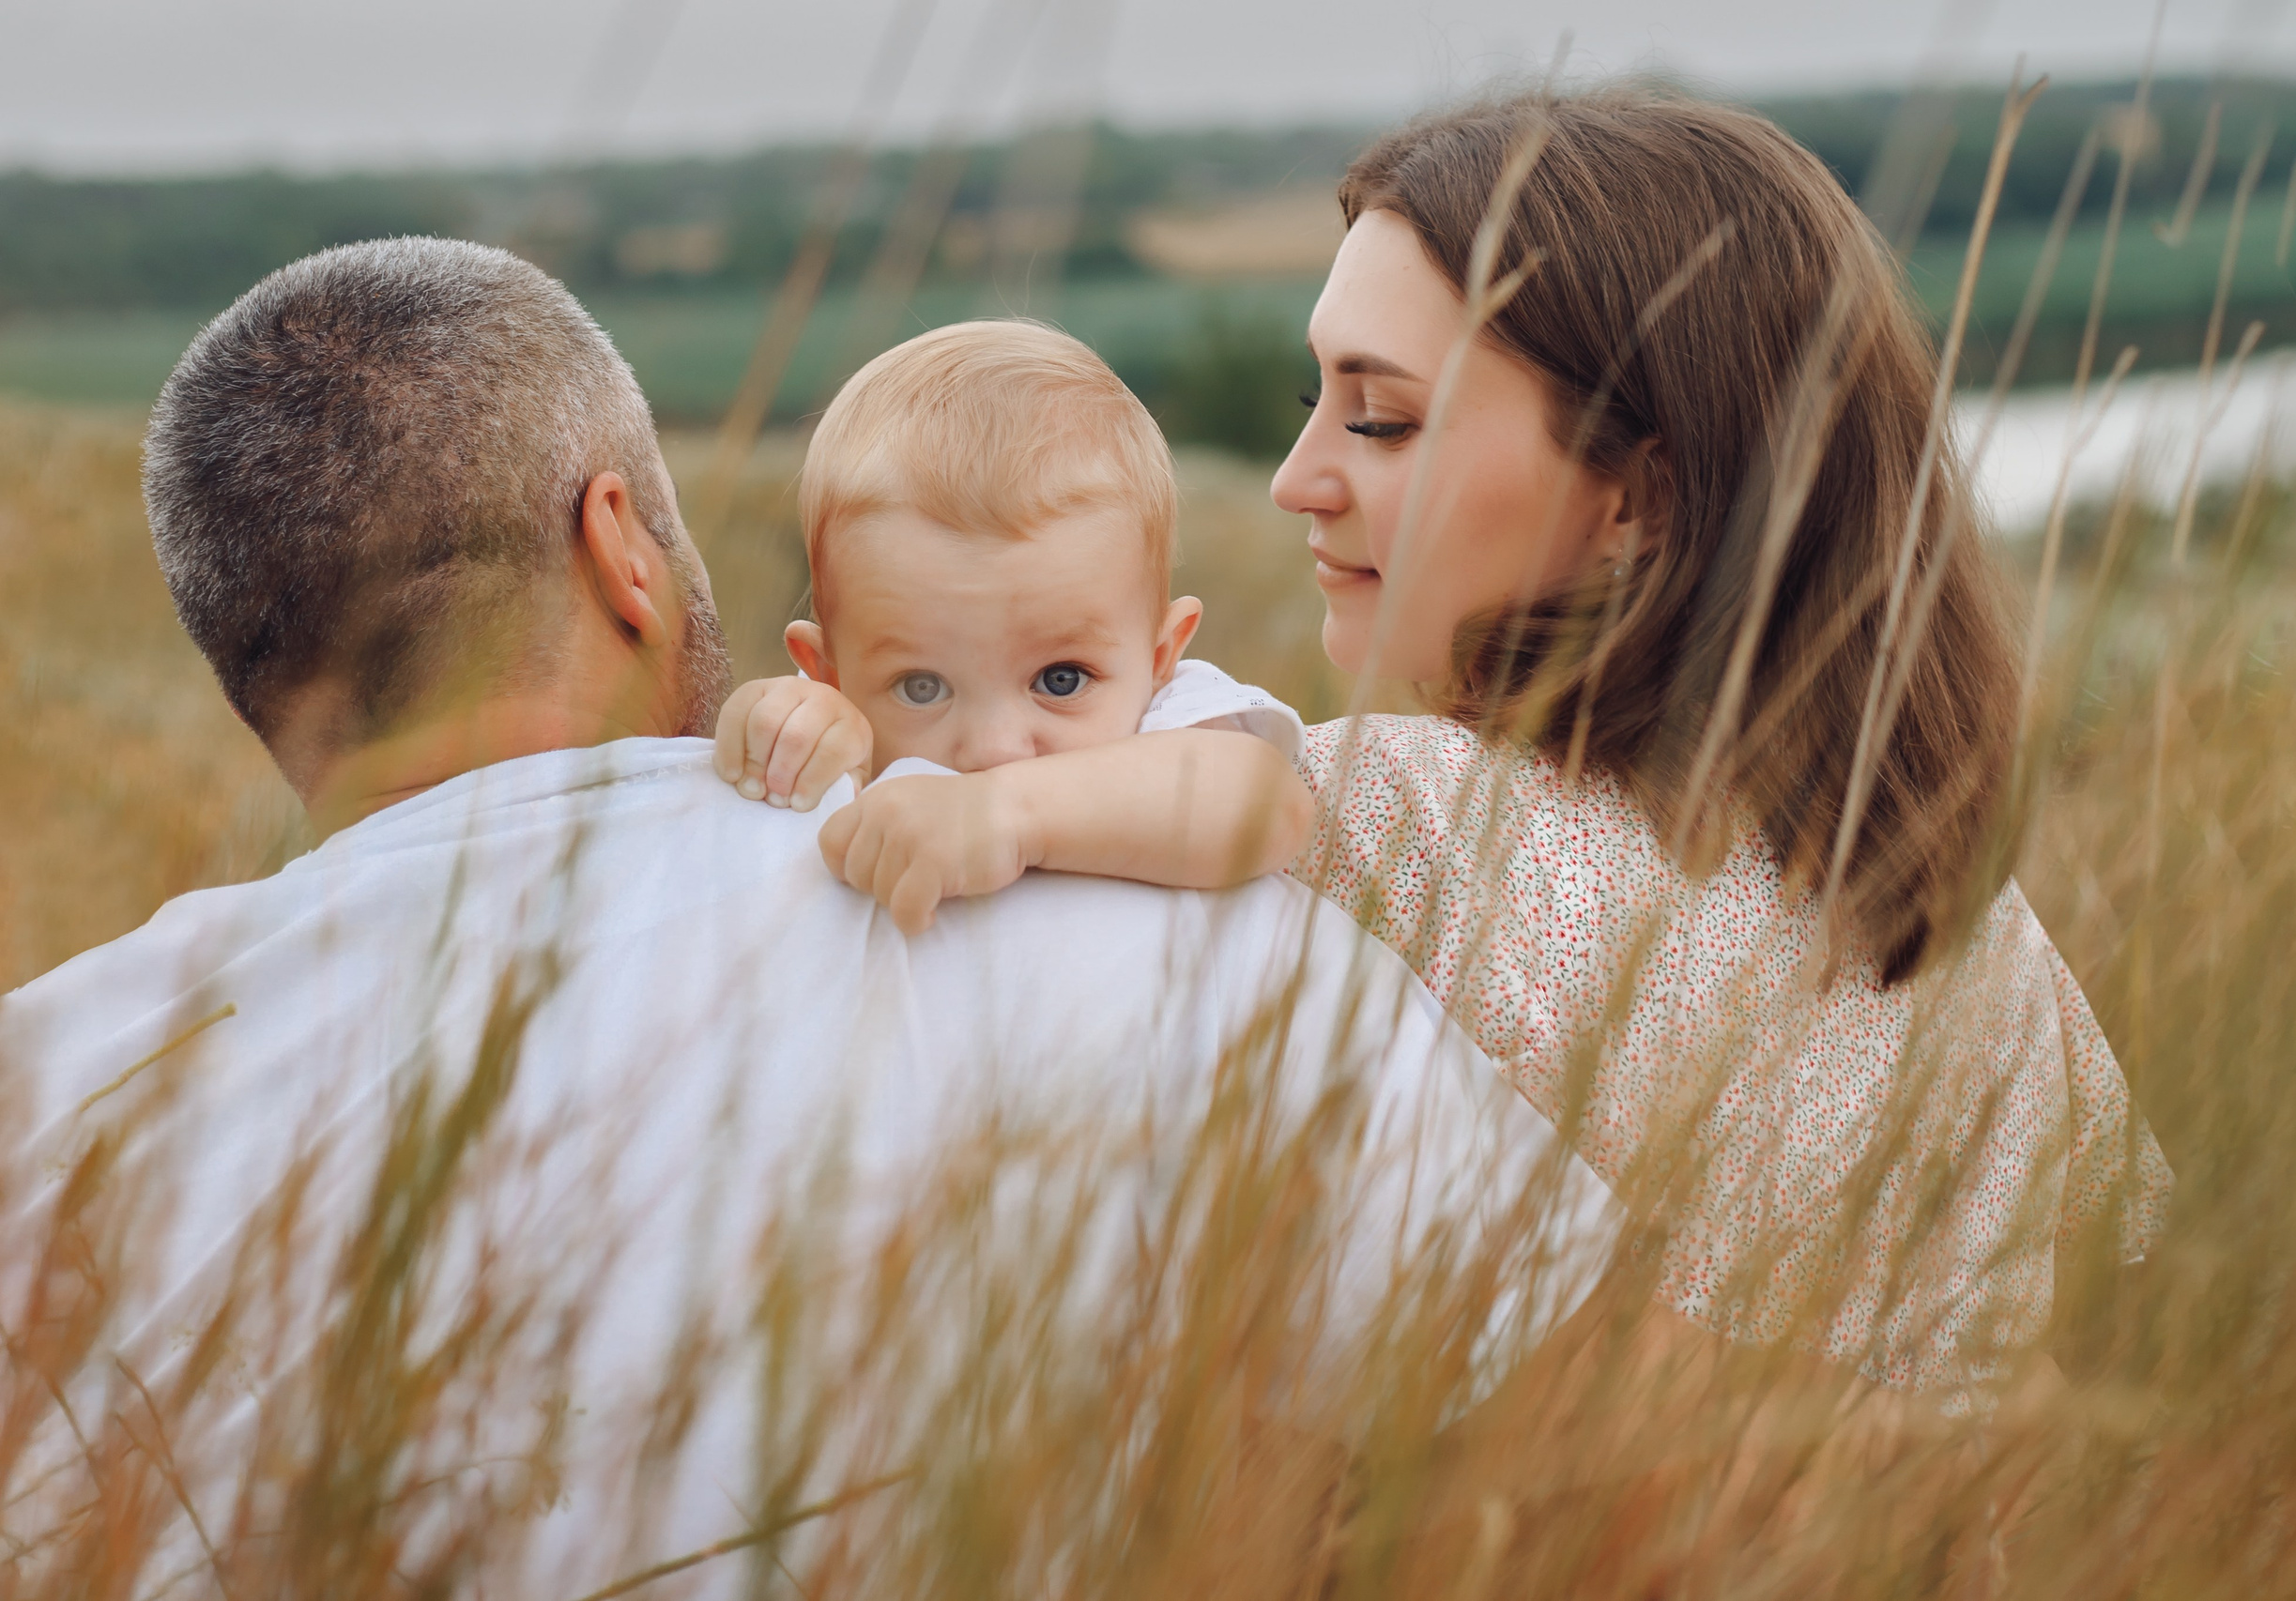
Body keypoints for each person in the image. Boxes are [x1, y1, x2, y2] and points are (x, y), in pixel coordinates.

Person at [0, 237, 1616, 1595]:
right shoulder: (1165, 926)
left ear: (251, 679)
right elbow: (1641, 1468)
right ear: (622, 547)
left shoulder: (52, 1087)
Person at [1271, 86, 2173, 1404]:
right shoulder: (1946, 893)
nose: (1298, 475)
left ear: (1640, 495)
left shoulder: (1380, 819)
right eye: (1317, 398)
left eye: (1381, 418)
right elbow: (2104, 1310)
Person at [713, 319, 1314, 932]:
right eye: (921, 687)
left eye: (1060, 680)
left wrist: (1007, 813)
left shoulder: (1173, 720)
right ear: (827, 672)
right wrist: (795, 733)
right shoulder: (855, 727)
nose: (996, 750)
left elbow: (1271, 806)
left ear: (1161, 655)